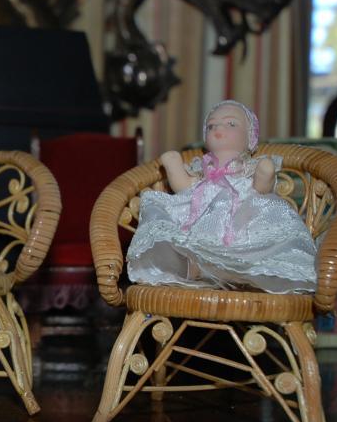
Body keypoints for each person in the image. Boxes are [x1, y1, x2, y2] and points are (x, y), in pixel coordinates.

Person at [127, 100, 317, 293]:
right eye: (211, 126)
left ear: (250, 138)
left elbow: (261, 191)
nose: (218, 128)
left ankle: (238, 270)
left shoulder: (248, 168)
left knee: (256, 229)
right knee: (168, 221)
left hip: (242, 221)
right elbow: (185, 189)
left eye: (231, 124)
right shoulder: (202, 169)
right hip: (201, 219)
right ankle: (194, 266)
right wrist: (174, 167)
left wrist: (264, 174)